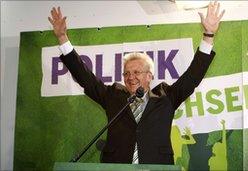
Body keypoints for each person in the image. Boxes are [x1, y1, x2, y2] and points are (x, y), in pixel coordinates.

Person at [48, 1, 224, 165]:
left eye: (137, 72)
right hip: (116, 166)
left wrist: (208, 35)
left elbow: (192, 77)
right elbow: (85, 78)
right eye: (126, 73)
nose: (130, 77)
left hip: (156, 165)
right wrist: (63, 38)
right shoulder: (113, 96)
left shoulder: (166, 97)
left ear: (149, 76)